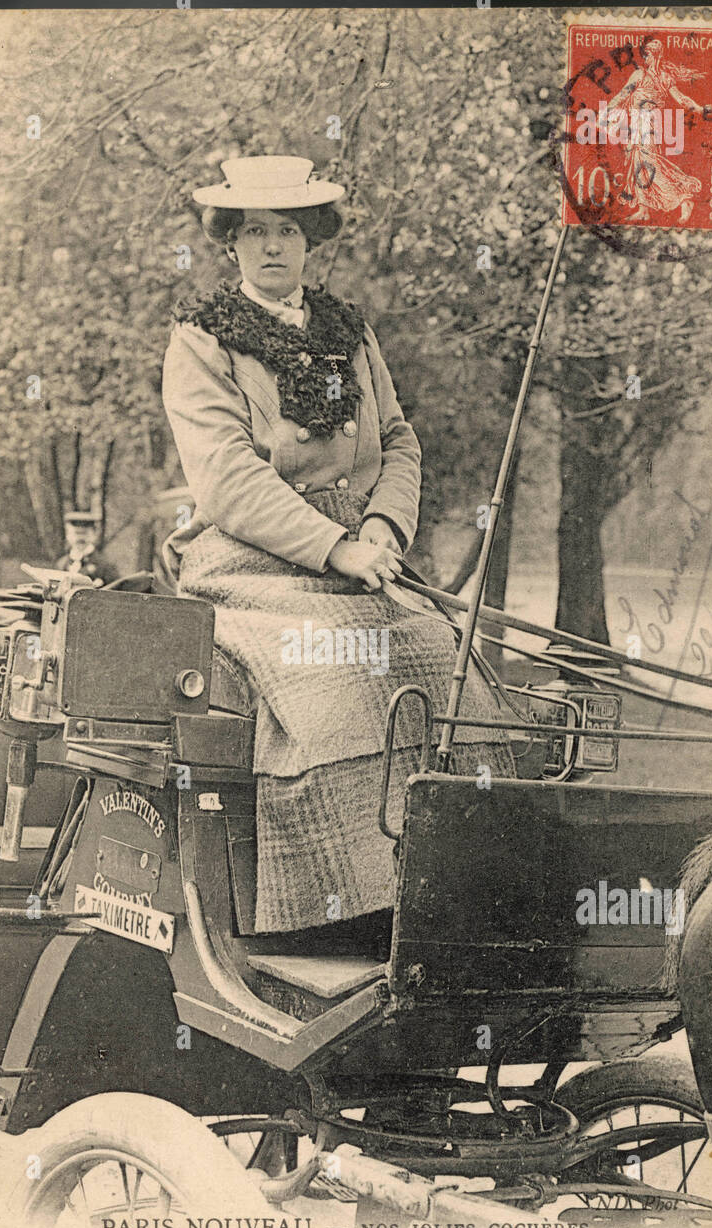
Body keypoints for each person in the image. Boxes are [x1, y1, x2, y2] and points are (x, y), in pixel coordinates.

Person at [162, 155, 513, 935]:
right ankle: (345, 916)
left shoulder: (349, 333)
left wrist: (383, 529)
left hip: (359, 554)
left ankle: (463, 897)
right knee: (336, 682)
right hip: (250, 563)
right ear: (231, 245)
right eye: (255, 232)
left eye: (287, 230)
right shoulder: (201, 340)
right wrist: (334, 547)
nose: (273, 247)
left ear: (310, 239)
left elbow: (397, 439)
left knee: (443, 659)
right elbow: (225, 478)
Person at [607, 38, 711, 225]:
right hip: (641, 125)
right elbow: (682, 100)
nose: (645, 59)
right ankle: (644, 209)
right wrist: (701, 109)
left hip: (646, 125)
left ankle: (684, 198)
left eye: (647, 55)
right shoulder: (657, 77)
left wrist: (701, 109)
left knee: (649, 163)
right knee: (637, 163)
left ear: (653, 55)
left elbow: (622, 95)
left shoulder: (644, 76)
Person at [54, 511, 118, 584]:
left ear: (94, 535)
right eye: (76, 533)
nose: (80, 538)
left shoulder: (105, 565)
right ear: (68, 535)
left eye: (85, 533)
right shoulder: (61, 564)